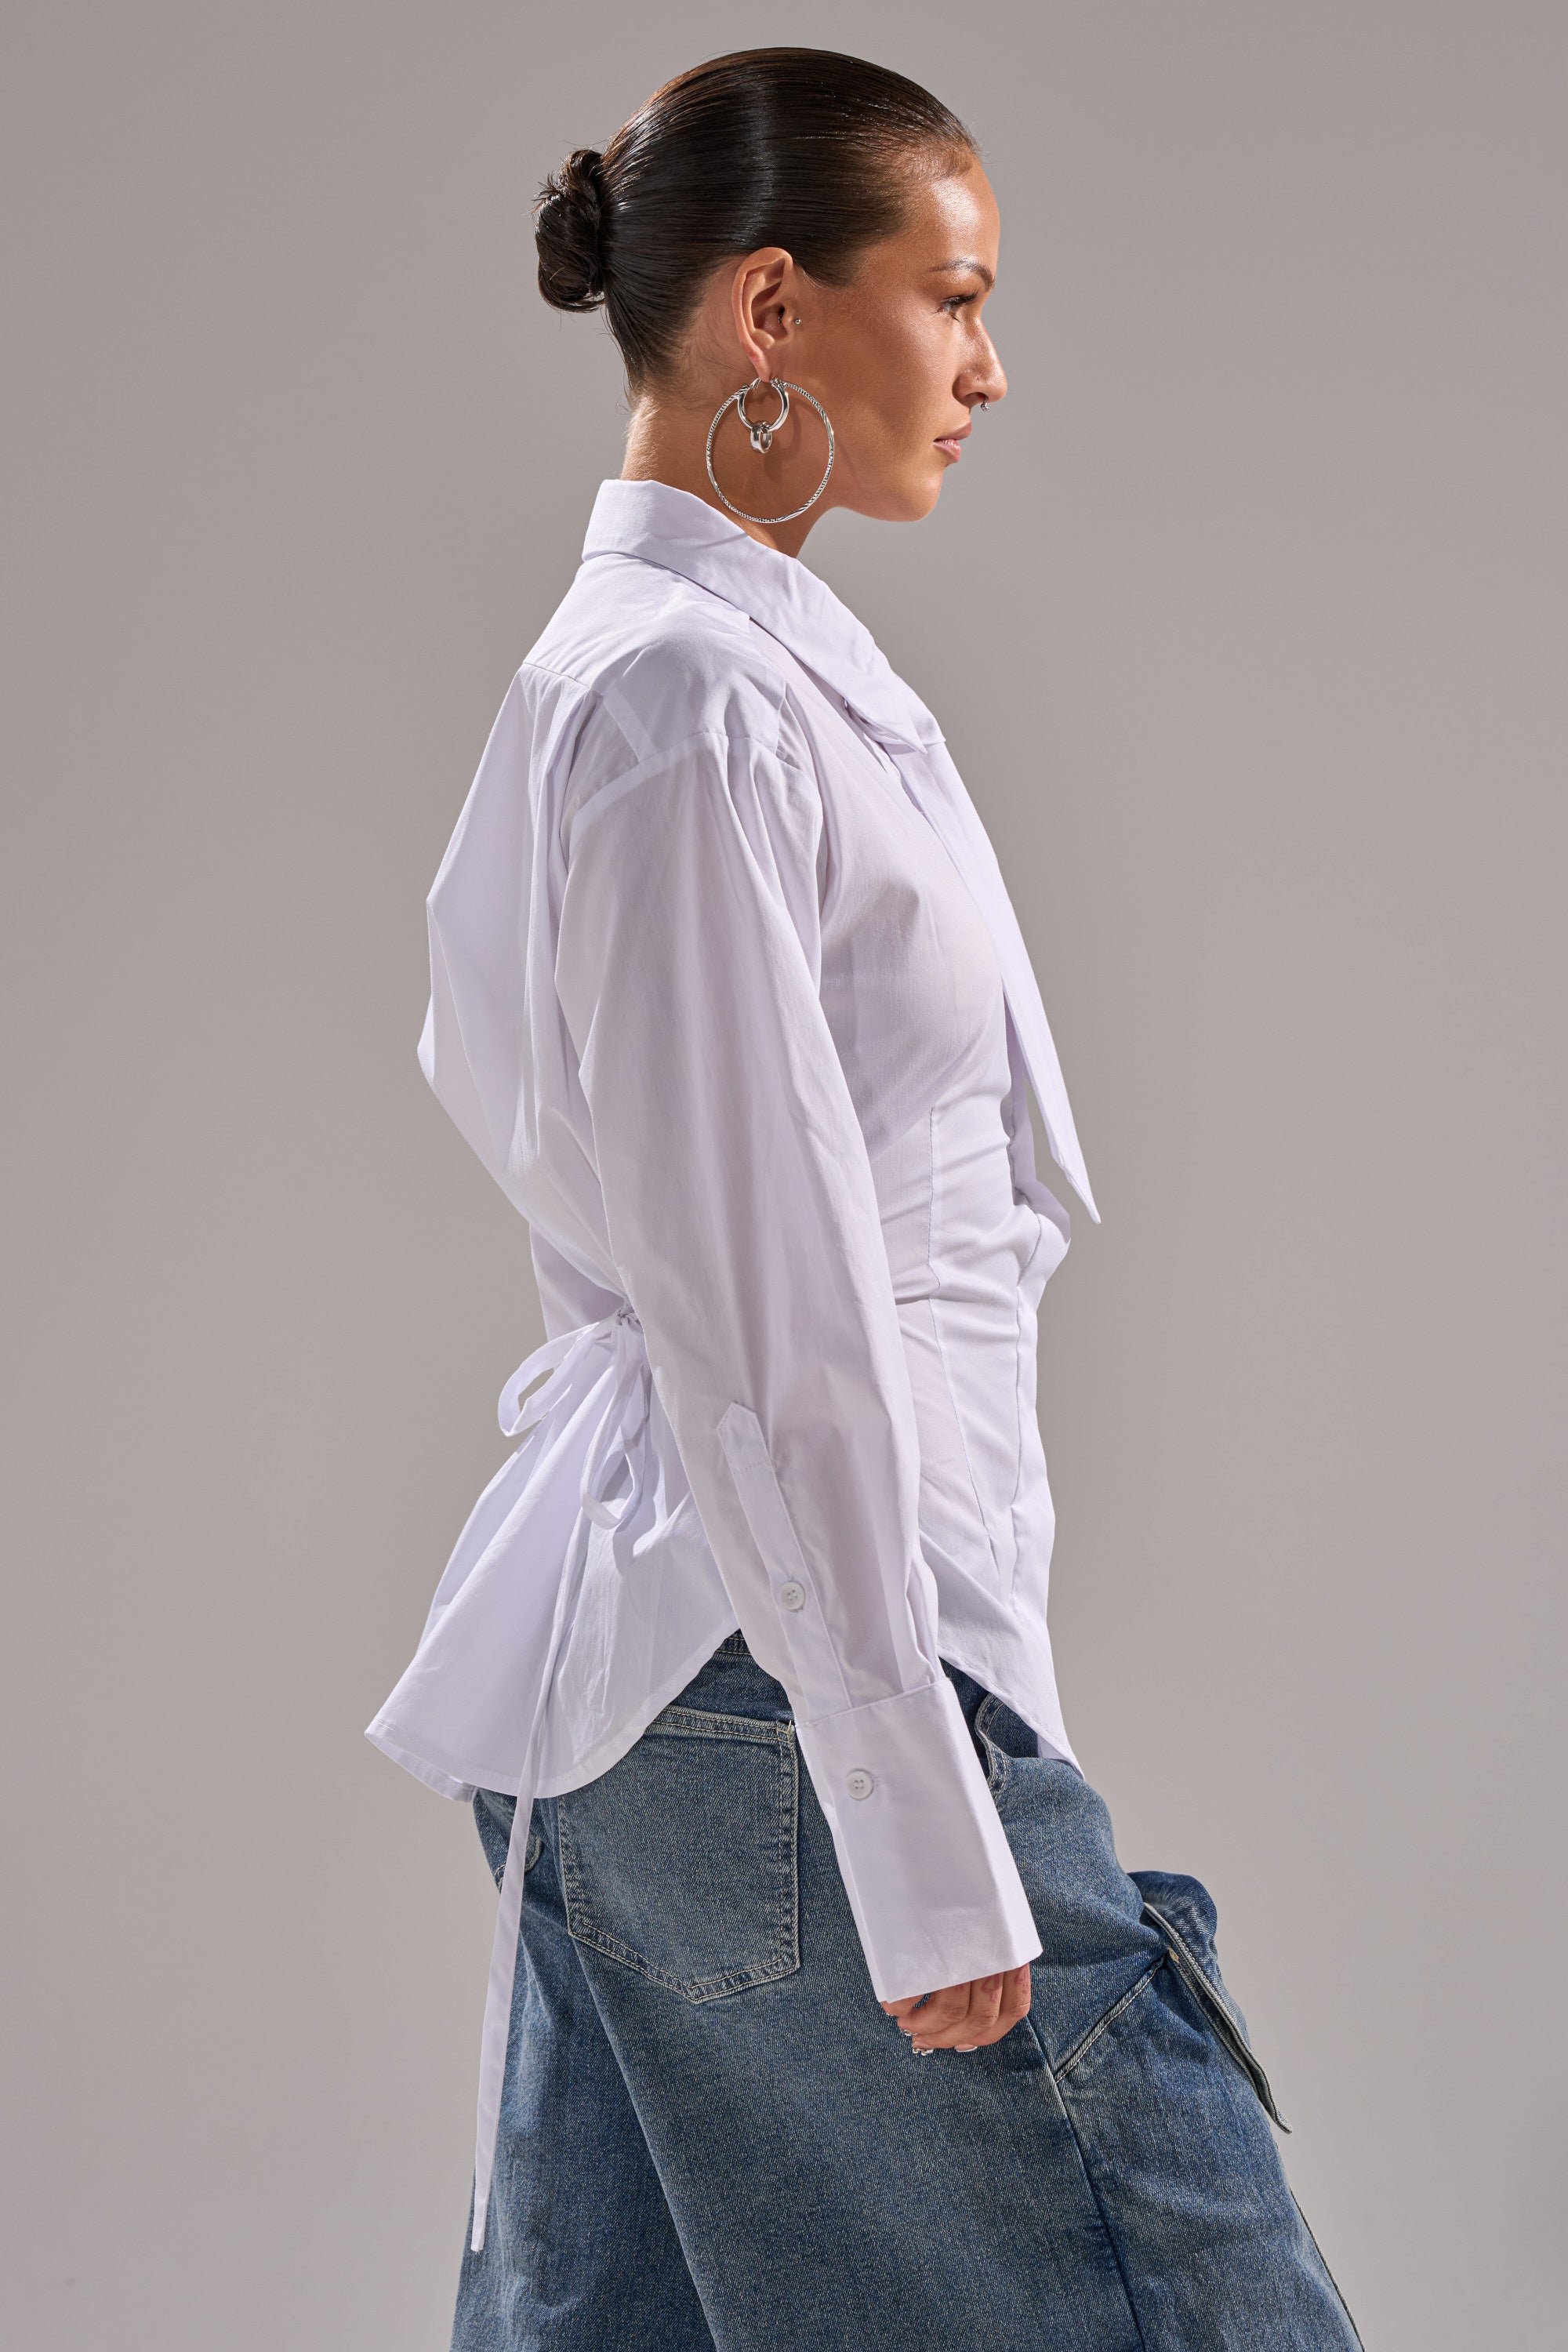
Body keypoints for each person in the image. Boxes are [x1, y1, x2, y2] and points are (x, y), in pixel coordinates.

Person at [368, 46, 1363, 2351]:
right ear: (775, 314)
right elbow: (763, 1312)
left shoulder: (718, 684)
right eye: (958, 297)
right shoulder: (687, 709)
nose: (993, 370)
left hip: (705, 1694)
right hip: (787, 1690)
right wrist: (929, 1834)